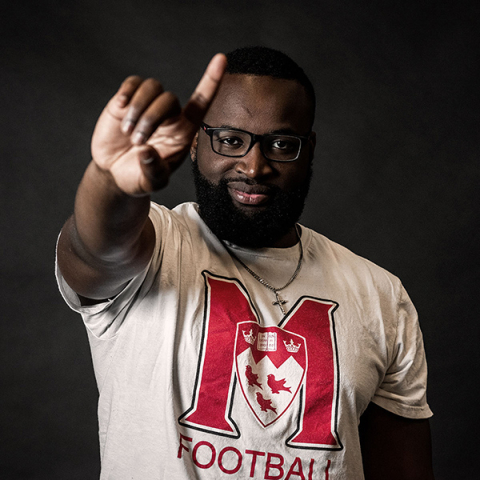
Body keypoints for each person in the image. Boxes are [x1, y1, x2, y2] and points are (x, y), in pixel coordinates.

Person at [56, 46, 434, 479]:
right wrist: (109, 182)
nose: (254, 167)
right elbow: (95, 249)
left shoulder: (381, 294)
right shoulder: (155, 246)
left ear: (308, 149)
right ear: (197, 140)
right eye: (231, 140)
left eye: (280, 144)